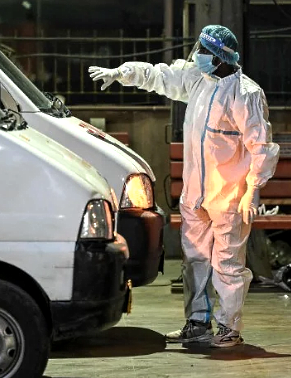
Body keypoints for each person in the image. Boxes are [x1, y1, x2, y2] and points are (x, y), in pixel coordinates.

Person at [88, 25, 279, 348]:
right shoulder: (199, 81)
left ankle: (229, 327)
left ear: (220, 58)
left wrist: (253, 189)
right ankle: (197, 322)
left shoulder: (245, 94)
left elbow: (261, 146)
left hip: (228, 197)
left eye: (204, 51)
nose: (198, 57)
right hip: (195, 194)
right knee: (194, 260)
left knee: (228, 263)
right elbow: (161, 76)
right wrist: (124, 72)